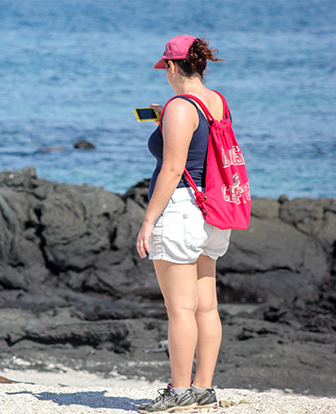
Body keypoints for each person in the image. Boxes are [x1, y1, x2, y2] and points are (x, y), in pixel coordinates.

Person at [136, 34, 231, 413]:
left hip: (180, 212)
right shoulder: (216, 101)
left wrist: (148, 221)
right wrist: (170, 118)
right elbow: (204, 146)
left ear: (173, 67)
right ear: (202, 65)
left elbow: (173, 169)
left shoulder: (179, 106)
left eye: (166, 69)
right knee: (206, 307)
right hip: (212, 213)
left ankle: (178, 391)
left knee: (180, 310)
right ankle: (203, 389)